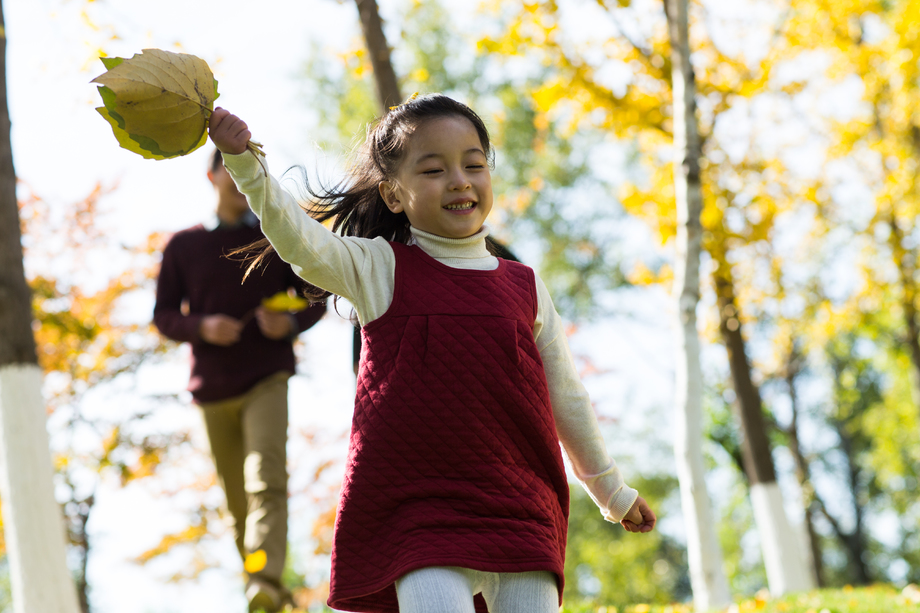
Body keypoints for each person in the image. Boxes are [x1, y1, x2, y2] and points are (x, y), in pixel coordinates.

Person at [208, 94, 656, 613]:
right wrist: (246, 165)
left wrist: (611, 492)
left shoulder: (525, 286)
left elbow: (566, 397)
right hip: (417, 511)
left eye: (473, 164)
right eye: (434, 169)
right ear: (393, 195)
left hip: (520, 509)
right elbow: (303, 243)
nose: (460, 180)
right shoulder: (379, 268)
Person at [153, 149, 326, 613]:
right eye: (227, 169)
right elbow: (164, 316)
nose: (235, 179)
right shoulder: (183, 247)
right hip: (211, 390)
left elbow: (317, 294)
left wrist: (288, 324)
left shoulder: (273, 236)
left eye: (245, 170)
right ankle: (265, 591)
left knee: (265, 481)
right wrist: (201, 327)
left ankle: (265, 585)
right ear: (209, 176)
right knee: (238, 506)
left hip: (266, 378)